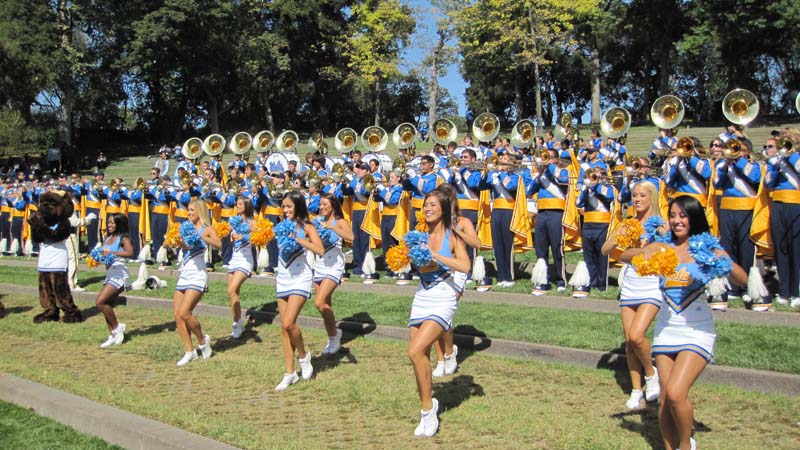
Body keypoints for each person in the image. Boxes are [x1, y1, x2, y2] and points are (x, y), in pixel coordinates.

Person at [621, 196, 747, 450]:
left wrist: (722, 264)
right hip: (667, 329)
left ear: (694, 218)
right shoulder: (663, 247)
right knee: (666, 399)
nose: (677, 221)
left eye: (683, 216)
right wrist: (646, 252)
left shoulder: (706, 247)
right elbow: (625, 255)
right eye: (673, 215)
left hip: (697, 329)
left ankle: (685, 444)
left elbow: (742, 279)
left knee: (677, 393)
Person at [407, 190, 470, 438]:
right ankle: (428, 404)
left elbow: (464, 265)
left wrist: (435, 255)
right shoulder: (419, 236)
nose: (427, 209)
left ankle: (427, 412)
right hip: (422, 294)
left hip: (444, 294)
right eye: (425, 205)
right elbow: (426, 268)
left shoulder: (453, 235)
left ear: (443, 208)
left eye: (432, 205)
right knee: (417, 356)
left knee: (414, 350)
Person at [602, 181, 662, 410]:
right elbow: (605, 250)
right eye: (635, 195)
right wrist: (620, 236)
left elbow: (664, 248)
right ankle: (636, 391)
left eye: (642, 196)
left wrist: (636, 252)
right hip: (631, 283)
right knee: (629, 341)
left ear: (652, 198)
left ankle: (651, 373)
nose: (637, 199)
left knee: (638, 335)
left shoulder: (660, 223)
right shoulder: (628, 223)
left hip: (651, 283)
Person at [274, 191, 324, 391]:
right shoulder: (280, 226)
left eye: (289, 206)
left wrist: (299, 239)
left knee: (289, 322)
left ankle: (303, 355)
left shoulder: (308, 227)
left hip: (301, 277)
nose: (285, 210)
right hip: (283, 277)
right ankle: (290, 372)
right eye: (283, 206)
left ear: (298, 206)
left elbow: (320, 250)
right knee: (284, 329)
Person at [431, 184, 480, 378]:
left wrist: (456, 230)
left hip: (456, 274)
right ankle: (440, 359)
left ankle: (449, 351)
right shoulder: (433, 222)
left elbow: (477, 244)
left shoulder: (463, 221)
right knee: (433, 316)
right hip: (436, 272)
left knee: (443, 315)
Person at [173, 200, 222, 367]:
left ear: (199, 211)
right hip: (184, 273)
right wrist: (177, 242)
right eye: (188, 210)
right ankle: (189, 351)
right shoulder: (185, 227)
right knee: (178, 316)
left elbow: (219, 244)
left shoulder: (207, 229)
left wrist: (201, 236)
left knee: (185, 312)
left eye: (192, 210)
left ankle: (202, 341)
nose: (189, 213)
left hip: (198, 274)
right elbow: (185, 246)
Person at [312, 192, 354, 355]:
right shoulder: (317, 221)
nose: (321, 207)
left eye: (325, 204)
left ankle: (334, 336)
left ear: (333, 206)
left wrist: (332, 227)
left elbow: (351, 237)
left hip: (334, 266)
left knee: (319, 302)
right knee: (324, 306)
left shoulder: (340, 221)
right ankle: (333, 337)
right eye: (320, 204)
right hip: (320, 265)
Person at [96, 213, 133, 348]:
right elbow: (105, 255)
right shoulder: (108, 238)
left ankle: (118, 327)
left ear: (119, 223)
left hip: (120, 274)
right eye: (108, 222)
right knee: (107, 304)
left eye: (112, 223)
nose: (109, 225)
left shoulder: (123, 238)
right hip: (110, 273)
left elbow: (129, 252)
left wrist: (112, 253)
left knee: (100, 302)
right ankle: (112, 334)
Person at [226, 197, 255, 339]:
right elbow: (227, 234)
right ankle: (238, 324)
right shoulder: (234, 221)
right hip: (234, 258)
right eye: (236, 204)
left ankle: (237, 324)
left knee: (231, 289)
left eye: (240, 204)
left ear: (247, 206)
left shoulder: (252, 222)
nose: (237, 206)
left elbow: (258, 238)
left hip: (245, 260)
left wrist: (244, 237)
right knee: (232, 293)